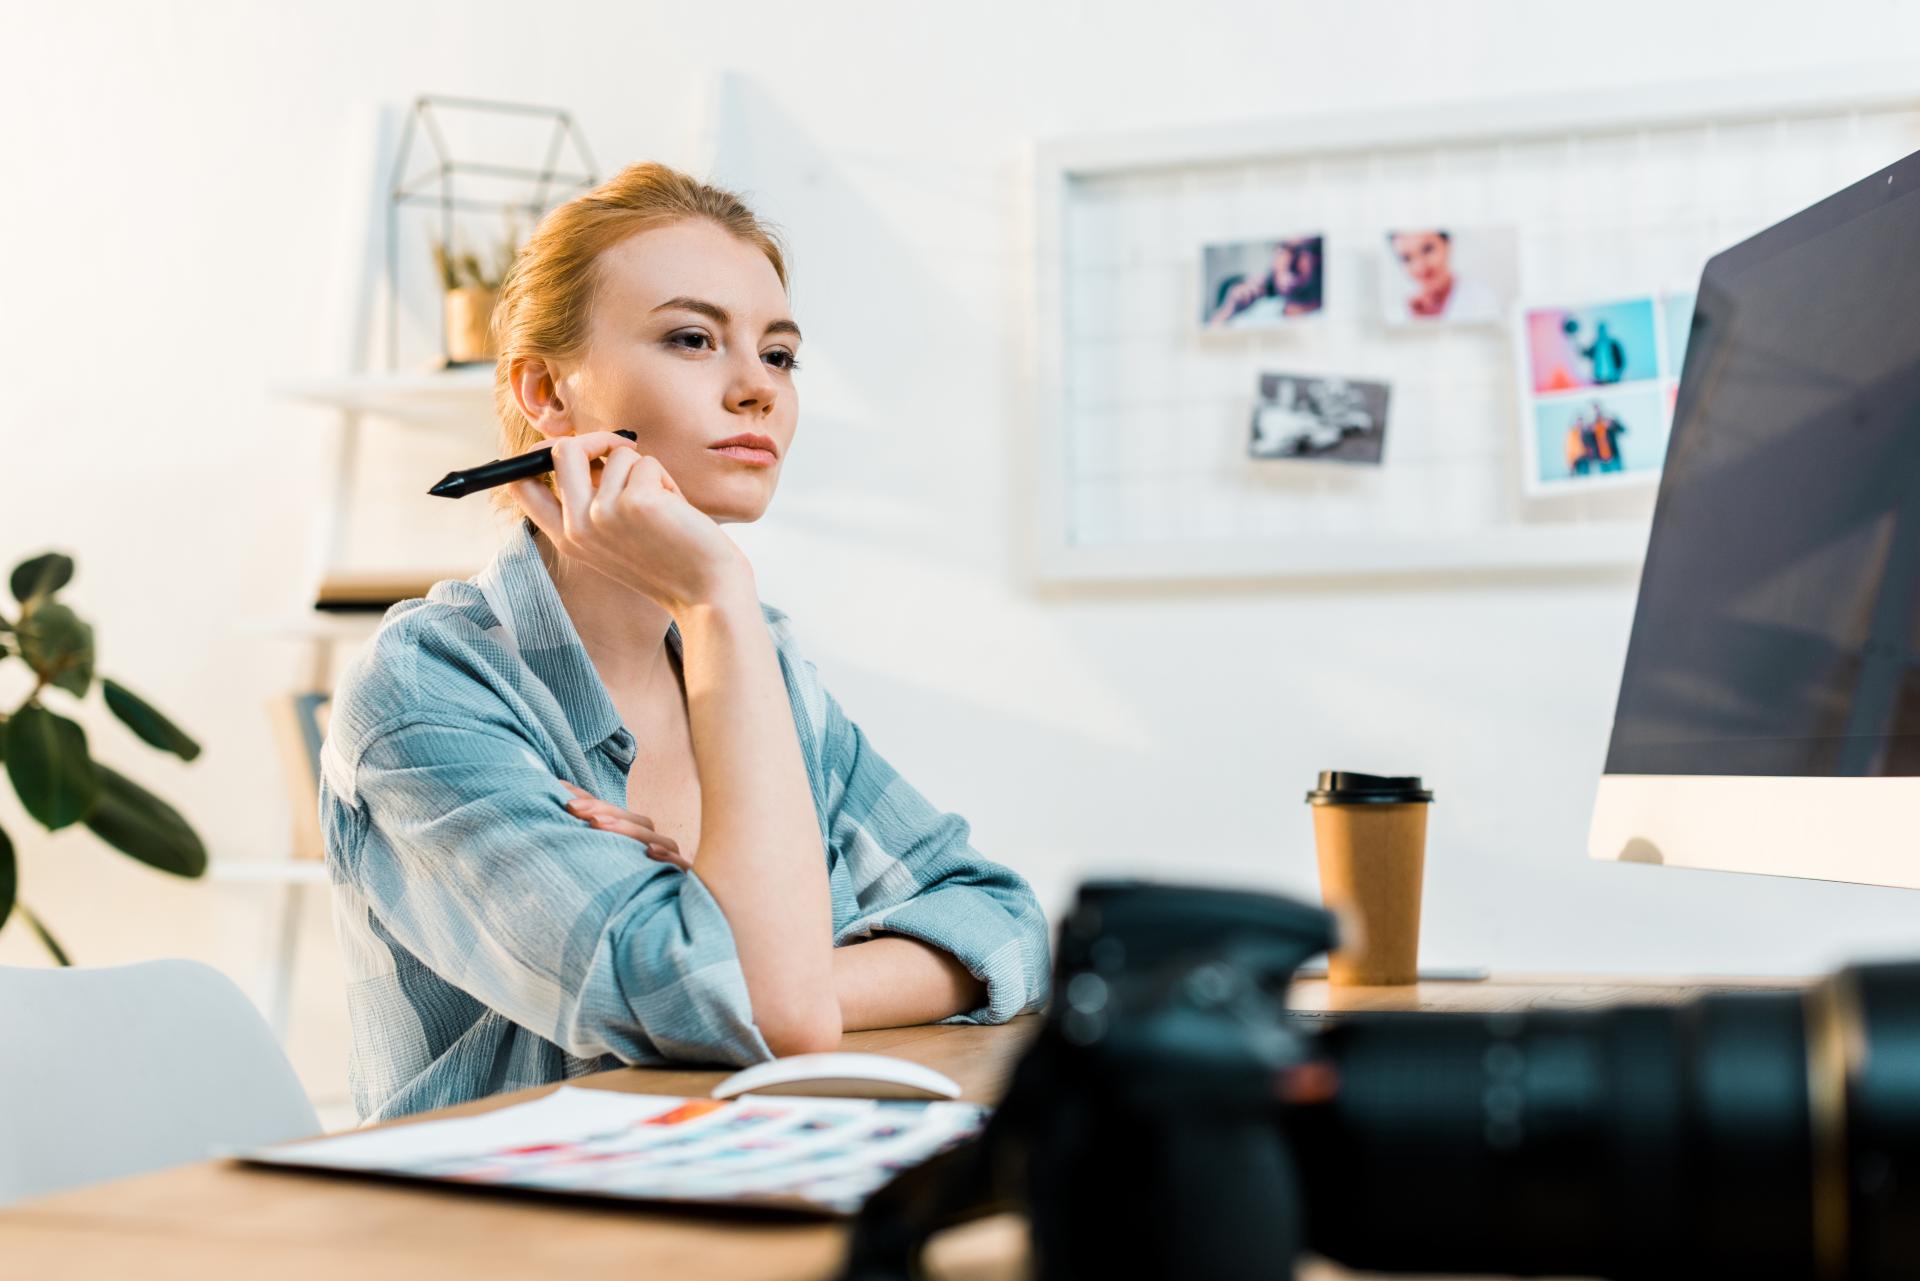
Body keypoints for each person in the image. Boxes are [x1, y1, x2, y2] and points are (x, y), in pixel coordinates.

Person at [318, 163, 1052, 1122]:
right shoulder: (427, 695)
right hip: (494, 1232)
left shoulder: (762, 665)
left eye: (780, 355)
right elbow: (726, 1007)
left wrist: (785, 977)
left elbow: (1004, 924)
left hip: (727, 1171)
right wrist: (714, 594)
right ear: (544, 391)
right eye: (692, 339)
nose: (757, 389)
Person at [1384, 229, 1501, 323]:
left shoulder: (1482, 298)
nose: (1420, 267)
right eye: (1407, 258)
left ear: (1447, 244)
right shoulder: (1398, 313)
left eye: (1427, 249)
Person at [1209, 235, 1323, 326]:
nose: (1289, 264)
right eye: (1283, 249)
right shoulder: (1256, 313)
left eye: (1304, 251)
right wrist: (1227, 313)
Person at [1589, 401, 1627, 472]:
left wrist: (1612, 425)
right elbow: (1586, 441)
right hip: (1601, 458)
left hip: (1614, 455)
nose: (1597, 411)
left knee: (1620, 476)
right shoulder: (1590, 425)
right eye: (1595, 409)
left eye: (1598, 408)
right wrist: (1589, 431)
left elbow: (1623, 430)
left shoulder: (1609, 420)